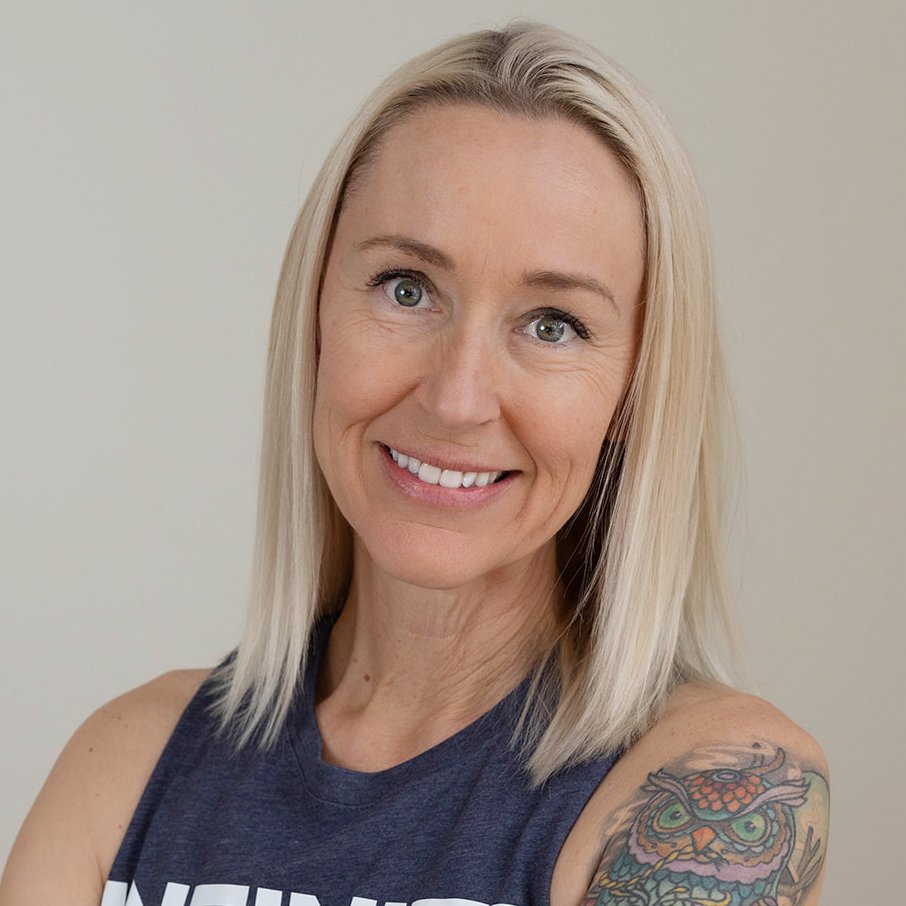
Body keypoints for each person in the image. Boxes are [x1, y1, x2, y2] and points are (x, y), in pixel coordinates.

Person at [0, 21, 829, 906]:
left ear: (635, 395)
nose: (457, 397)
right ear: (315, 317)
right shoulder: (124, 767)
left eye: (553, 324)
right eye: (408, 288)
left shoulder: (715, 790)